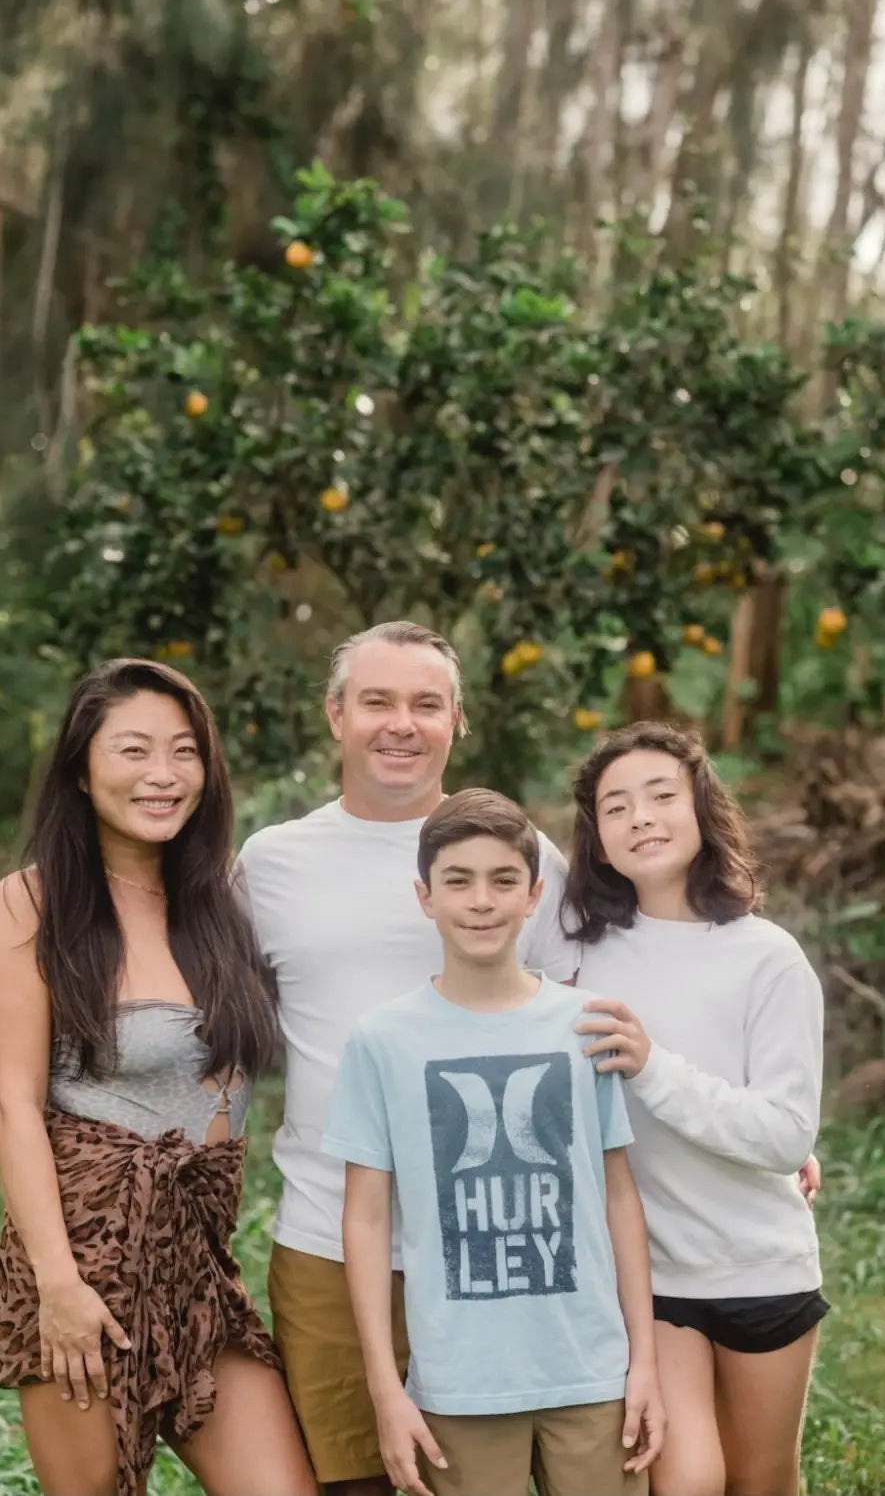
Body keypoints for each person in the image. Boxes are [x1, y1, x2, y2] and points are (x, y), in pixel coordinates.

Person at [238, 621, 576, 1495]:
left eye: (426, 704)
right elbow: (216, 1034)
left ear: (456, 722)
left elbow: (606, 1020)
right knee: (355, 1479)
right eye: (377, 701)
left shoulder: (524, 862)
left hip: (505, 1237)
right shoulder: (272, 864)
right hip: (326, 1235)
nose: (401, 724)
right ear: (335, 715)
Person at [0, 658, 318, 1496]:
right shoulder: (34, 905)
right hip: (87, 1258)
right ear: (82, 771)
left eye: (183, 751)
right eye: (132, 751)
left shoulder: (220, 903)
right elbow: (11, 1105)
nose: (162, 775)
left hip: (198, 1264)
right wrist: (58, 1284)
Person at [323, 788, 665, 1496]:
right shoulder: (382, 1041)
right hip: (459, 1383)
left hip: (590, 1370)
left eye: (503, 879)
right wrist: (388, 1392)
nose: (481, 900)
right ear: (424, 896)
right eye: (458, 880)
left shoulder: (584, 1024)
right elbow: (365, 1219)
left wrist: (644, 1363)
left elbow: (619, 1199)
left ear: (534, 893)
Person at [565, 722, 828, 1496]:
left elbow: (783, 1134)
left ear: (701, 810)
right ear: (597, 841)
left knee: (761, 1479)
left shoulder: (767, 957)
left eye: (659, 796)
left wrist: (653, 1070)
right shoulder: (572, 953)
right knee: (686, 1482)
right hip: (653, 1277)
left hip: (759, 1265)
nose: (640, 816)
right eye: (616, 807)